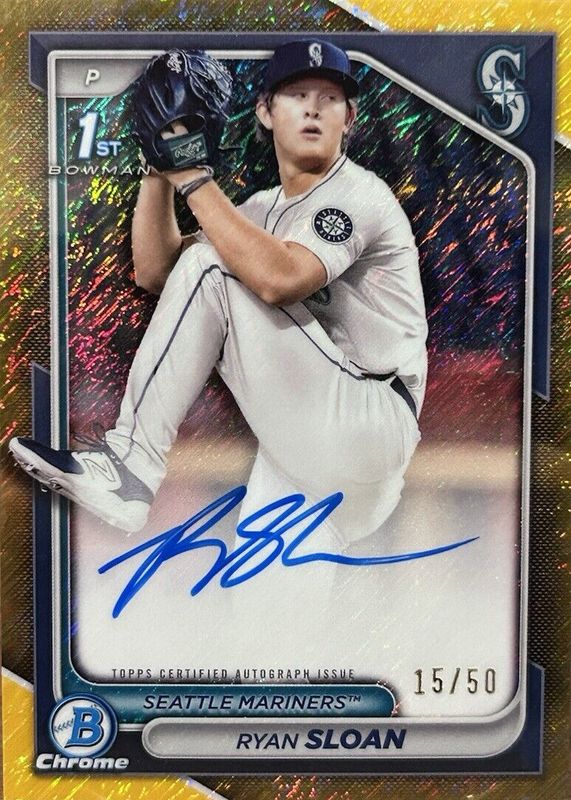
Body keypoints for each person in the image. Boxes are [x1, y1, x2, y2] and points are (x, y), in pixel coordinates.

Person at [10, 40, 428, 549]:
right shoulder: (260, 208)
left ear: (350, 118)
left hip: (371, 420)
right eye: (297, 94)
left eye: (330, 97)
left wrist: (191, 173)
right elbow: (158, 272)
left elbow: (280, 278)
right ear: (265, 112)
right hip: (311, 458)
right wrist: (159, 166)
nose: (314, 108)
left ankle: (131, 467)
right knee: (258, 598)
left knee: (211, 266)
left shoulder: (360, 194)